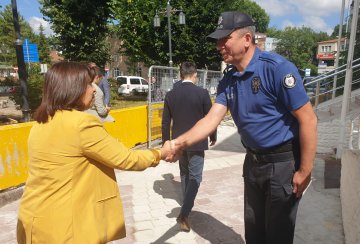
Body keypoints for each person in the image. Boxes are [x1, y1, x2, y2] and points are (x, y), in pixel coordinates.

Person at [170, 11, 317, 244]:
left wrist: (305, 170)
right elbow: (210, 120)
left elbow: (308, 119)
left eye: (224, 39)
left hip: (282, 165)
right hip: (253, 164)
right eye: (218, 40)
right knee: (254, 231)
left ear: (247, 39)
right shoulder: (229, 79)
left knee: (278, 234)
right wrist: (178, 143)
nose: (219, 46)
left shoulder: (276, 69)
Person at [16, 62, 174, 244]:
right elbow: (126, 159)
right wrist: (160, 153)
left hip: (34, 221)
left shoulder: (41, 122)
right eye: (88, 85)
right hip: (66, 226)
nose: (94, 90)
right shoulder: (81, 124)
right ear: (72, 89)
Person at [162, 61, 217, 232]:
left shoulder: (171, 94)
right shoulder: (202, 93)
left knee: (185, 173)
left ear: (180, 75)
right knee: (196, 177)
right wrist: (213, 136)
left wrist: (167, 143)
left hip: (178, 143)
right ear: (195, 75)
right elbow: (210, 118)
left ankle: (186, 203)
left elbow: (165, 122)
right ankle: (184, 213)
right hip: (197, 142)